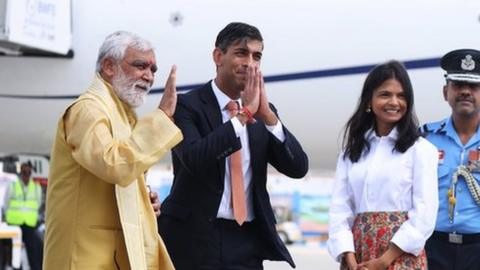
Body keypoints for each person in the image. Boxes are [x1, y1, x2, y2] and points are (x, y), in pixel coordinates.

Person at [157, 22, 309, 270]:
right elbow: (195, 158)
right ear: (218, 56)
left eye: (256, 56)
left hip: (246, 241)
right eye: (241, 53)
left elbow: (298, 167)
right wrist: (242, 116)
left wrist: (269, 116)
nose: (250, 63)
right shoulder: (187, 105)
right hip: (193, 239)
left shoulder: (262, 114)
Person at [43, 31, 183, 270]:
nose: (149, 77)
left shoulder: (122, 114)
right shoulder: (88, 110)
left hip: (113, 254)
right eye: (141, 66)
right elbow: (114, 165)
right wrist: (163, 118)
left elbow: (123, 173)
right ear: (109, 66)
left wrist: (142, 199)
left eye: (153, 70)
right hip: (84, 255)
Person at [327, 60, 439, 270]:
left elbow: (425, 213)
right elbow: (339, 209)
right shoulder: (351, 152)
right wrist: (348, 255)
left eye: (401, 96)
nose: (394, 102)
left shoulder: (421, 150)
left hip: (401, 256)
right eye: (385, 94)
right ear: (369, 100)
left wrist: (385, 260)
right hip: (357, 255)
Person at [423, 49, 480, 270]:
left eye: (474, 86)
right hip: (433, 247)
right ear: (445, 92)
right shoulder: (424, 139)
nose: (465, 92)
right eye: (458, 85)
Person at [4, 162, 43, 270]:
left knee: (33, 251)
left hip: (29, 224)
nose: (26, 174)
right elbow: (6, 202)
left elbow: (38, 203)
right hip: (14, 223)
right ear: (20, 172)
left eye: (28, 172)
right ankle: (14, 267)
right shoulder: (13, 186)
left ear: (31, 173)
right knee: (13, 249)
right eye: (24, 172)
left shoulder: (36, 187)